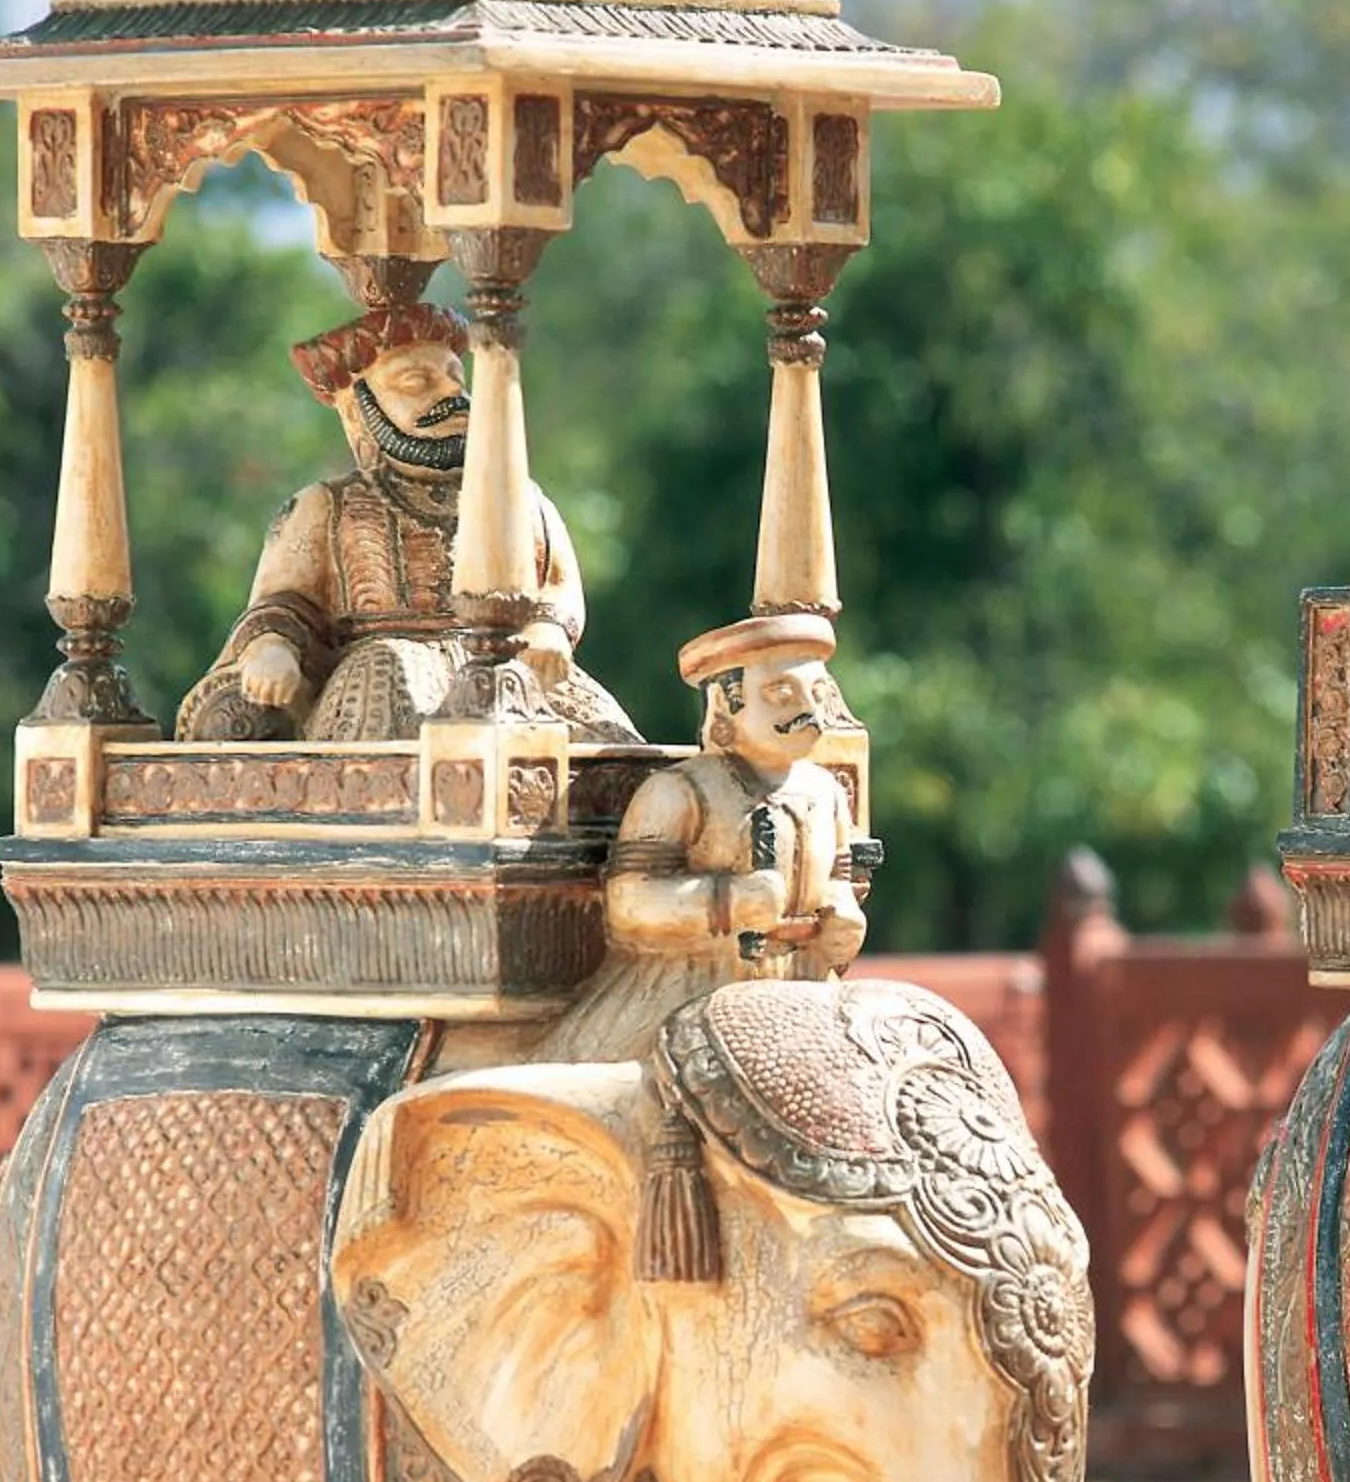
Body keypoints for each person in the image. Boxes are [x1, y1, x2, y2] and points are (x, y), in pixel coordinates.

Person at [177, 302, 634, 742]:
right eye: (418, 381)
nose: (453, 395)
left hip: (514, 671)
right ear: (358, 411)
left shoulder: (519, 498)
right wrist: (272, 648)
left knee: (612, 754)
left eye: (457, 378)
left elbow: (556, 583)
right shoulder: (325, 506)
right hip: (383, 671)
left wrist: (548, 629)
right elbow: (283, 602)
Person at [542, 612, 868, 1063]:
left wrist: (843, 913)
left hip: (803, 989)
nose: (806, 711)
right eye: (780, 694)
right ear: (723, 708)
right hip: (688, 991)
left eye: (817, 694)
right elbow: (628, 904)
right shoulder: (680, 792)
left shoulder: (826, 792)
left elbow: (837, 879)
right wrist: (728, 901)